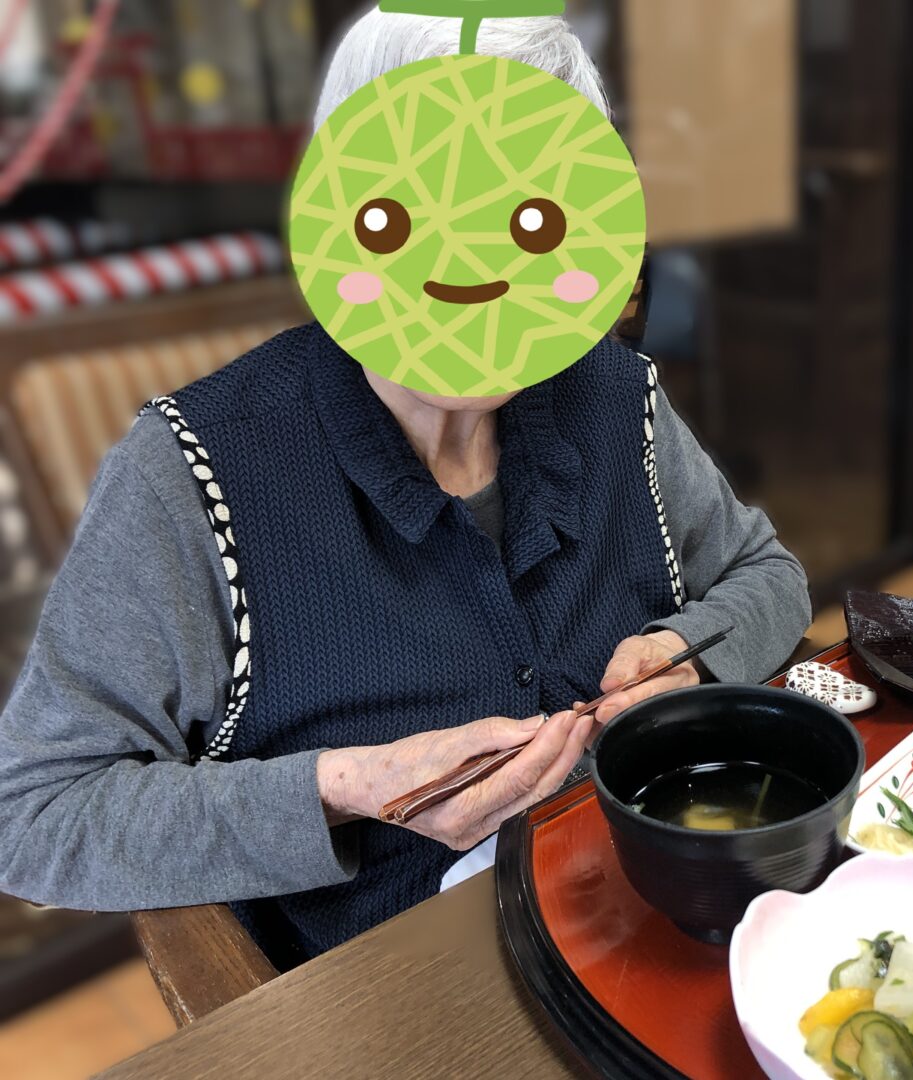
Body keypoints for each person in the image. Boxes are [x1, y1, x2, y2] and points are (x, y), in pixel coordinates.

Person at [0, 9, 810, 968]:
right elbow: (32, 815)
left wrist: (687, 655)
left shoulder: (610, 391)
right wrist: (345, 787)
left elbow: (770, 576)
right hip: (399, 983)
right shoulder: (191, 470)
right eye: (420, 204)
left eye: (527, 212)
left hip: (659, 909)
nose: (472, 257)